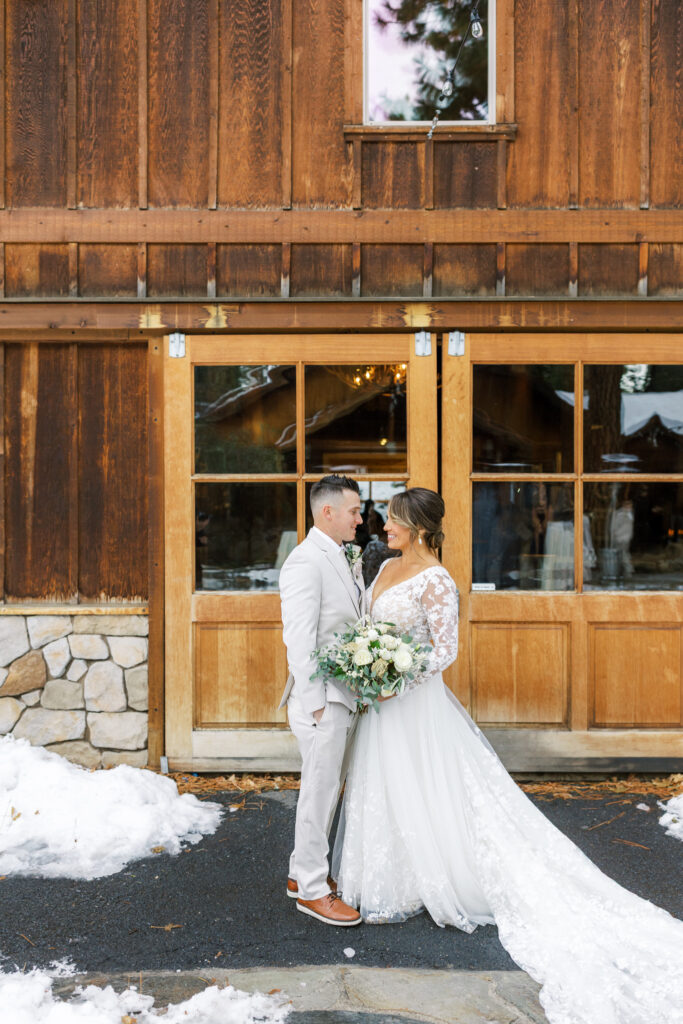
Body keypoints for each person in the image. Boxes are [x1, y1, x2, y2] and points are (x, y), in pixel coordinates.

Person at [332, 487, 683, 1023]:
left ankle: (447, 874)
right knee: (386, 784)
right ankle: (395, 880)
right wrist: (366, 663)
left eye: (395, 522)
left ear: (420, 527)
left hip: (413, 704)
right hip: (381, 705)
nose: (384, 527)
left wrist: (393, 680)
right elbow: (367, 628)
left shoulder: (437, 579)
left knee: (429, 783)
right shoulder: (382, 569)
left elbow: (444, 650)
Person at [278, 474, 365, 927]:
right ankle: (312, 890)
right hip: (322, 699)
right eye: (354, 510)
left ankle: (300, 874)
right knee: (318, 792)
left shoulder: (344, 557)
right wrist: (314, 704)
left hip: (342, 695)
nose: (361, 517)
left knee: (327, 789)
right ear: (327, 512)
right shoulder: (304, 562)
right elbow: (299, 639)